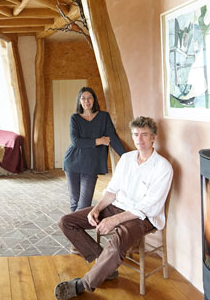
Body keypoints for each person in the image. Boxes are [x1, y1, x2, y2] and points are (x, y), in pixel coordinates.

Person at [55, 116, 173, 299]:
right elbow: (112, 191)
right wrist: (97, 208)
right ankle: (106, 267)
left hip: (142, 217)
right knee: (66, 222)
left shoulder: (163, 167)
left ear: (153, 138)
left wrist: (115, 220)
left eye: (144, 135)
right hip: (116, 206)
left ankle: (83, 284)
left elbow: (148, 206)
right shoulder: (126, 159)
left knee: (116, 246)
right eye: (136, 135)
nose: (139, 139)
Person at [63, 87, 126, 215]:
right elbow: (76, 141)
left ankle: (74, 226)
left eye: (89, 97)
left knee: (84, 204)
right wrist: (99, 141)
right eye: (83, 98)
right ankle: (73, 229)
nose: (86, 101)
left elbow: (112, 138)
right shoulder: (74, 118)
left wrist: (127, 156)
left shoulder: (103, 117)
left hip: (92, 164)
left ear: (94, 100)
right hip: (73, 162)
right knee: (74, 202)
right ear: (79, 101)